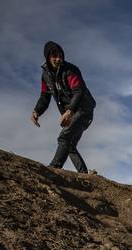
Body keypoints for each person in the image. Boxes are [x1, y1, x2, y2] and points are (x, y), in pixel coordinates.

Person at [31, 41, 96, 173]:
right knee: (70, 145)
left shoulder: (70, 70)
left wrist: (70, 111)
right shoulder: (46, 76)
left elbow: (79, 91)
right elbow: (45, 95)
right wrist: (37, 111)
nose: (58, 59)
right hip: (72, 111)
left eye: (60, 55)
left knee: (64, 138)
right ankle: (84, 175)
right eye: (54, 56)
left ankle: (54, 168)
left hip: (83, 109)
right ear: (47, 58)